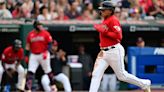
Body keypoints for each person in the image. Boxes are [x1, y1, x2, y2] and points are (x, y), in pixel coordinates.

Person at [89, 1, 151, 92]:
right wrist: (102, 29)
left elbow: (119, 36)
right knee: (96, 75)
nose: (101, 12)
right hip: (103, 52)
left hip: (114, 50)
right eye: (101, 10)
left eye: (103, 10)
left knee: (122, 76)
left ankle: (144, 83)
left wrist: (105, 31)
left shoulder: (113, 19)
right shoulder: (105, 20)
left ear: (110, 11)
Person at [25, 20, 55, 92]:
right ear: (35, 26)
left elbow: (50, 43)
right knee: (30, 71)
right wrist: (26, 56)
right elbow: (27, 46)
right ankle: (28, 89)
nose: (41, 26)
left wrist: (47, 51)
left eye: (41, 25)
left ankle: (53, 86)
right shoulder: (30, 34)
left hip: (43, 53)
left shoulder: (45, 33)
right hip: (34, 55)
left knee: (48, 70)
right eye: (39, 25)